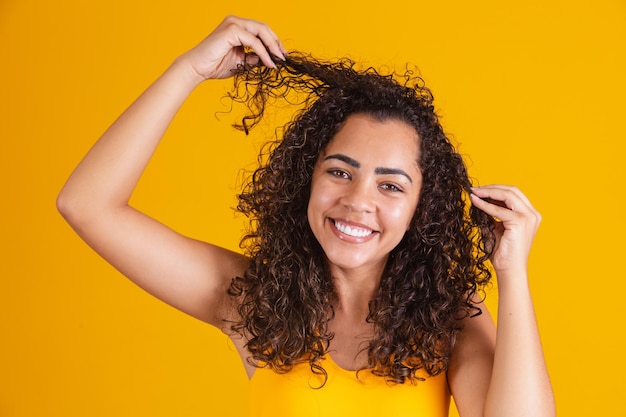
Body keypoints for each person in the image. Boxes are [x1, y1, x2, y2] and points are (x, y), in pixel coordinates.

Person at [57, 15, 555, 417]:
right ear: (306, 180)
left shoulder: (448, 322)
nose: (359, 201)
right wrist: (187, 70)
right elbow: (87, 205)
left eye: (390, 185)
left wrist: (511, 274)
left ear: (420, 209)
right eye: (340, 172)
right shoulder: (254, 301)